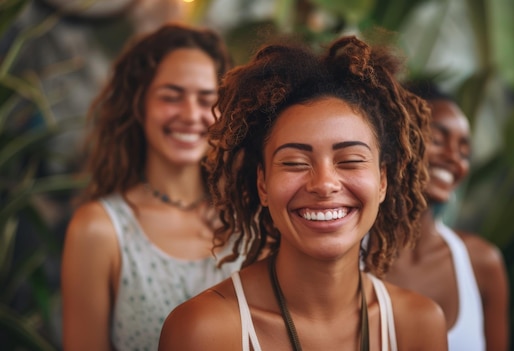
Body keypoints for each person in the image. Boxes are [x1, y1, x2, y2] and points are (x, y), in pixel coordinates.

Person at [158, 36, 448, 350]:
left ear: (382, 181)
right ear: (263, 185)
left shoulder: (418, 324)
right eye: (295, 162)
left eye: (349, 161)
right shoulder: (205, 330)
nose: (324, 184)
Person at [61, 23, 244, 351]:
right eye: (171, 97)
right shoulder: (99, 230)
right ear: (138, 105)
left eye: (207, 100)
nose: (190, 114)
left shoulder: (249, 217)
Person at [385, 80, 509, 351]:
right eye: (437, 139)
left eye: (464, 151)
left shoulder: (482, 263)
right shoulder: (347, 260)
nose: (454, 157)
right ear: (396, 139)